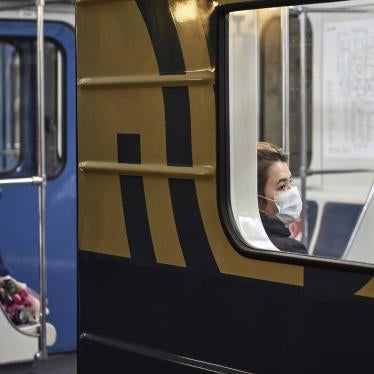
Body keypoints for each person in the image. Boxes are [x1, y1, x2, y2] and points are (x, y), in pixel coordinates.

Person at [257, 142, 307, 254]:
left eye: (290, 182)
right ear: (257, 199)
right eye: (282, 186)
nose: (292, 192)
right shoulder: (291, 249)